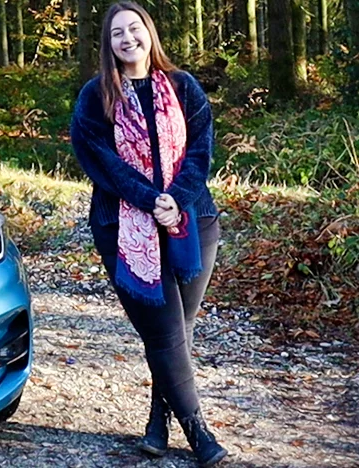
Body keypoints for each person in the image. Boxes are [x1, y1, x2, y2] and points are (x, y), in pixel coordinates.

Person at [69, 2, 227, 466]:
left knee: (180, 329)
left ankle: (159, 422)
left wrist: (175, 197)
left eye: (134, 28)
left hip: (192, 218)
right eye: (117, 33)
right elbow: (100, 160)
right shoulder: (95, 96)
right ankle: (199, 432)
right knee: (163, 333)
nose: (127, 38)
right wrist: (148, 198)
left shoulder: (184, 87)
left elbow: (201, 149)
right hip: (123, 225)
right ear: (108, 44)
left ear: (149, 34)